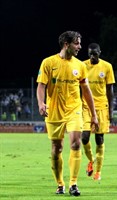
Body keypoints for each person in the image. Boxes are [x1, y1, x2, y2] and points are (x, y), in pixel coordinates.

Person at [36, 31, 99, 196]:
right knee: (56, 148)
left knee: (76, 143)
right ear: (66, 44)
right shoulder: (48, 63)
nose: (79, 47)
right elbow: (41, 85)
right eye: (76, 43)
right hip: (54, 111)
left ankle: (73, 184)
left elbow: (86, 91)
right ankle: (60, 183)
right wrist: (41, 103)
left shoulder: (80, 65)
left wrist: (94, 114)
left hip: (74, 109)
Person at [81, 43, 115, 181]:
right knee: (84, 137)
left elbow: (110, 90)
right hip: (85, 106)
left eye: (94, 53)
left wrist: (111, 111)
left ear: (100, 52)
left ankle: (98, 172)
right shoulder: (82, 65)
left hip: (101, 106)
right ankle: (91, 160)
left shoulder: (107, 67)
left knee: (99, 139)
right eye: (90, 54)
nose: (92, 56)